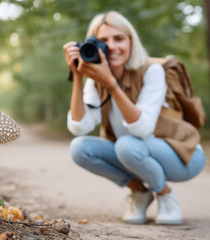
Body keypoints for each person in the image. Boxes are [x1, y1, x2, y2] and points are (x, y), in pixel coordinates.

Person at [63, 11, 206, 225]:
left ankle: (166, 195)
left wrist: (111, 83)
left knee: (127, 144)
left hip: (184, 157)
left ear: (131, 41)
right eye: (103, 40)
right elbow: (79, 127)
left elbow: (142, 129)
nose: (111, 46)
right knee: (80, 148)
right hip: (132, 152)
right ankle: (140, 192)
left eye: (119, 38)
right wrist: (77, 76)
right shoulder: (96, 79)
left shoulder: (152, 71)